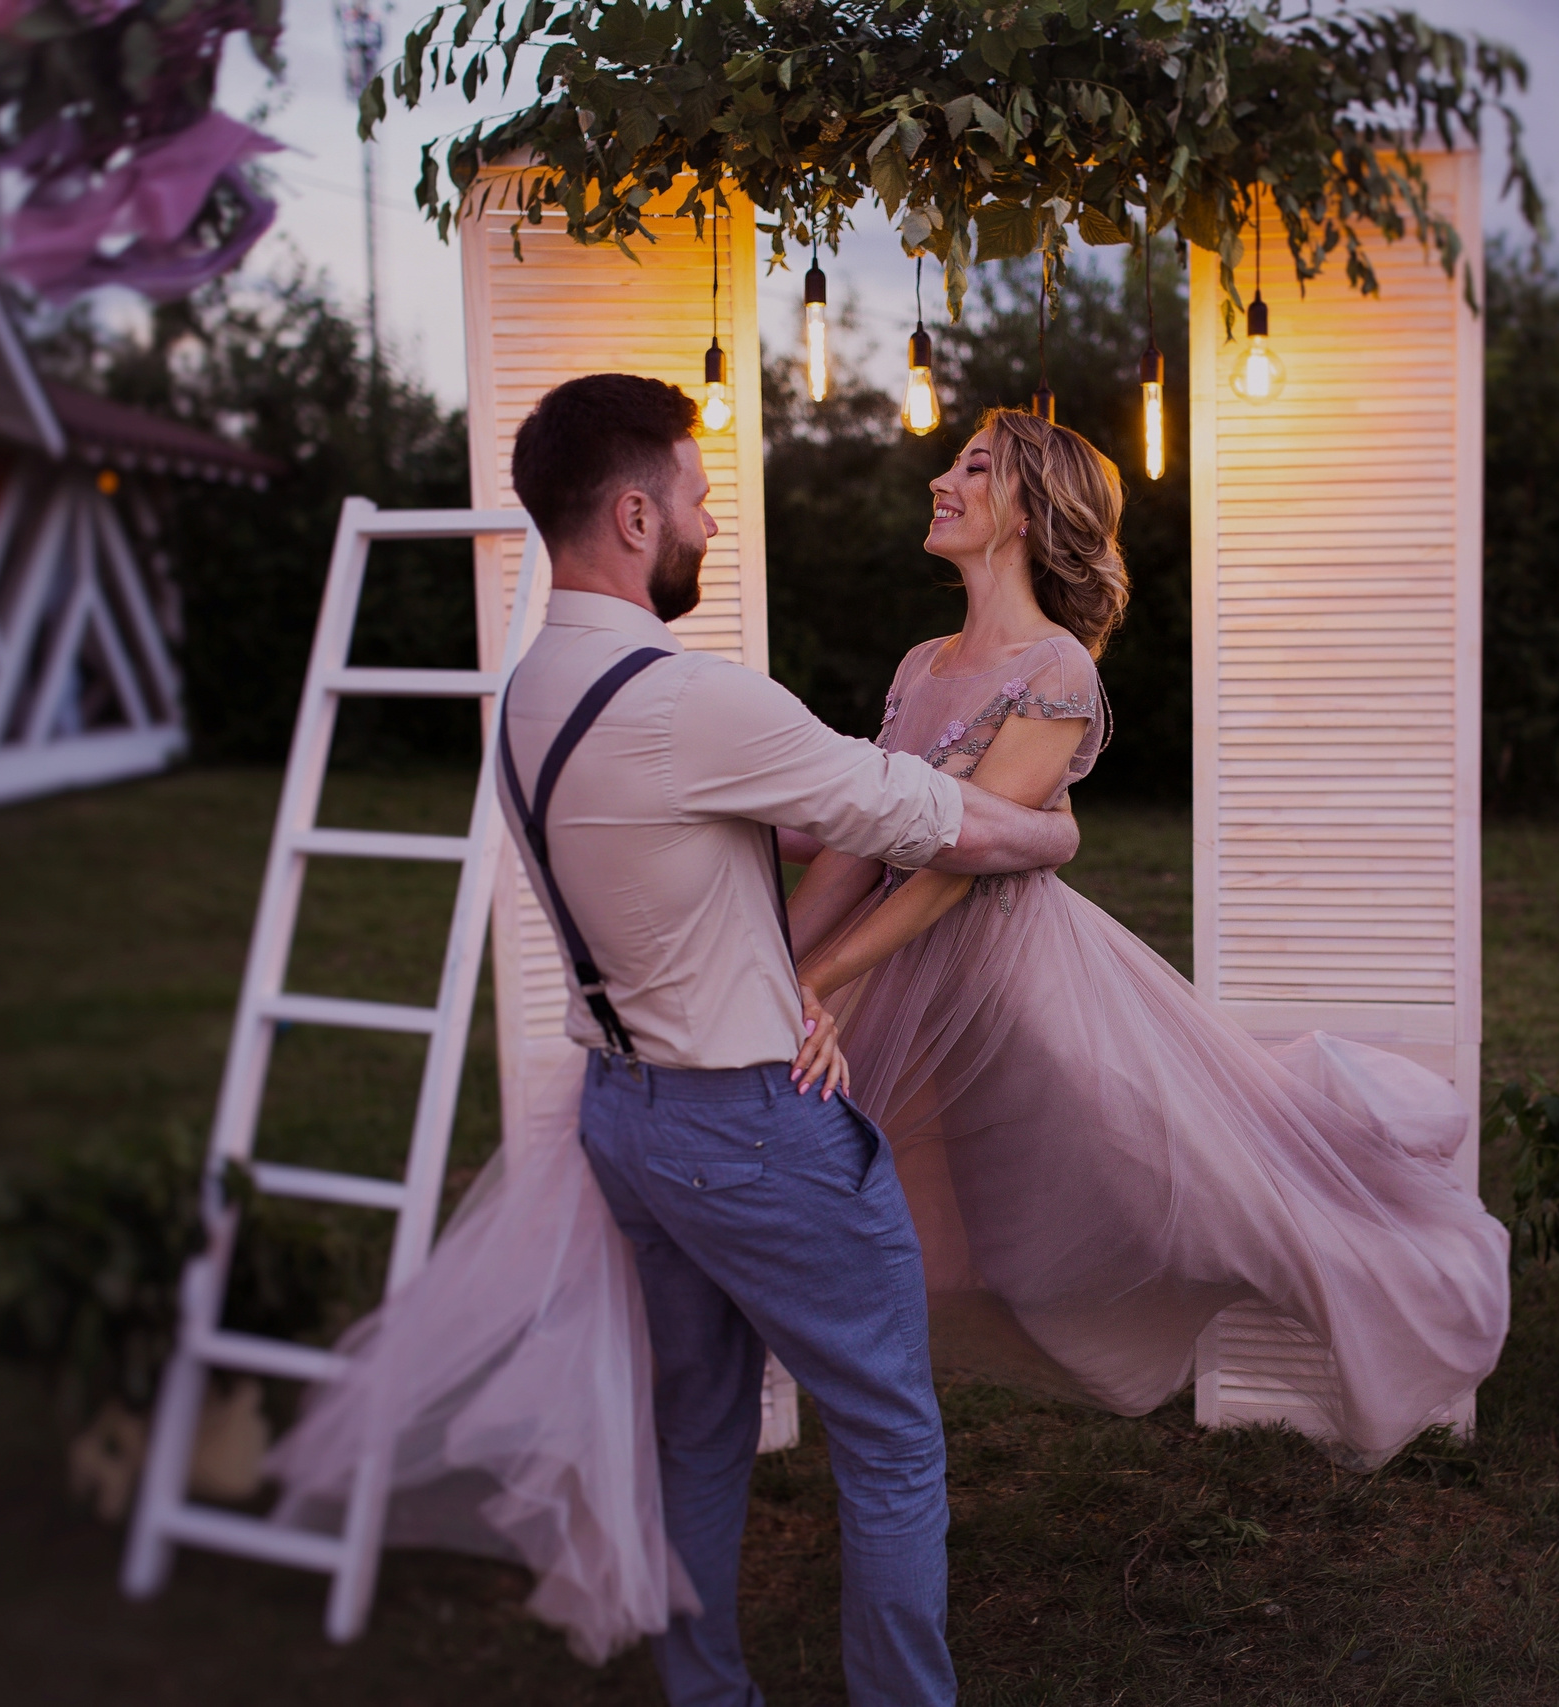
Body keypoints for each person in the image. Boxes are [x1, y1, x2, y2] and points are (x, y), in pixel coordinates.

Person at [269, 374, 1079, 1707]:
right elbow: (948, 823)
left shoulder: (532, 692)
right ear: (639, 514)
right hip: (752, 1122)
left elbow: (736, 823)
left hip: (625, 1119)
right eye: (700, 498)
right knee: (888, 1435)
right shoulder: (691, 700)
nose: (709, 519)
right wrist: (1057, 830)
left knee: (696, 1430)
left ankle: (706, 1692)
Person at [782, 409, 1512, 1468]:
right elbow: (870, 831)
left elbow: (955, 861)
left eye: (973, 468)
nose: (940, 480)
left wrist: (826, 969)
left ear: (1030, 511)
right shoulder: (919, 661)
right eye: (954, 463)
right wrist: (784, 964)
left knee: (1172, 1170)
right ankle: (871, 1388)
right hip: (897, 962)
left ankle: (1374, 1252)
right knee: (931, 1197)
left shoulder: (1057, 669)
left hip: (1007, 967)